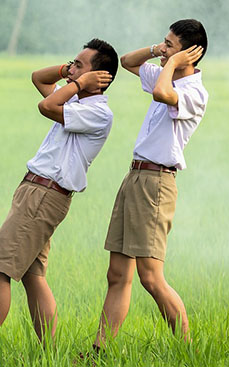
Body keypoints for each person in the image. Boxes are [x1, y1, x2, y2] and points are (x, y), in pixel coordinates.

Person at [0, 39, 118, 347]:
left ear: (99, 77)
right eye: (72, 64)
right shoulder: (76, 101)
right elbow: (38, 78)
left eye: (79, 65)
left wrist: (78, 82)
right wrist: (71, 72)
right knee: (32, 275)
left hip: (44, 194)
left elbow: (46, 106)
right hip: (37, 191)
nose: (70, 71)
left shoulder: (97, 113)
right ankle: (50, 353)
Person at [92, 19, 208, 351]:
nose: (162, 49)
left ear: (188, 54)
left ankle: (187, 350)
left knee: (151, 277)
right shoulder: (165, 72)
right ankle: (100, 352)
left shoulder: (194, 92)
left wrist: (172, 62)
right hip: (135, 177)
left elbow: (161, 92)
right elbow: (128, 62)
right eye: (164, 43)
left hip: (157, 182)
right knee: (117, 274)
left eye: (170, 44)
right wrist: (161, 52)